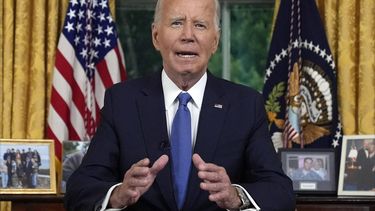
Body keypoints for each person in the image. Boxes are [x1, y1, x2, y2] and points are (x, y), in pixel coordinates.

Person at [65, 0, 295, 210]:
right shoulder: (122, 101)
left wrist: (236, 196)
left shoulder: (246, 105)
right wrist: (118, 194)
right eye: (176, 23)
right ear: (156, 36)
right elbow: (80, 188)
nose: (188, 35)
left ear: (215, 41)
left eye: (200, 25)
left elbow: (280, 191)